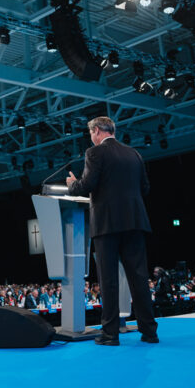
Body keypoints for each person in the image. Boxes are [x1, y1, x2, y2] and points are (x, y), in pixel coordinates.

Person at [66, 116, 158, 346]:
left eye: (91, 134)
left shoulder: (95, 153)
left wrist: (72, 185)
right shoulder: (134, 154)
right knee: (139, 277)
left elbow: (86, 186)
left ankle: (110, 334)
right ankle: (150, 332)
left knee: (108, 280)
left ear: (97, 131)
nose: (91, 139)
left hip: (107, 224)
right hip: (135, 221)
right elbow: (145, 187)